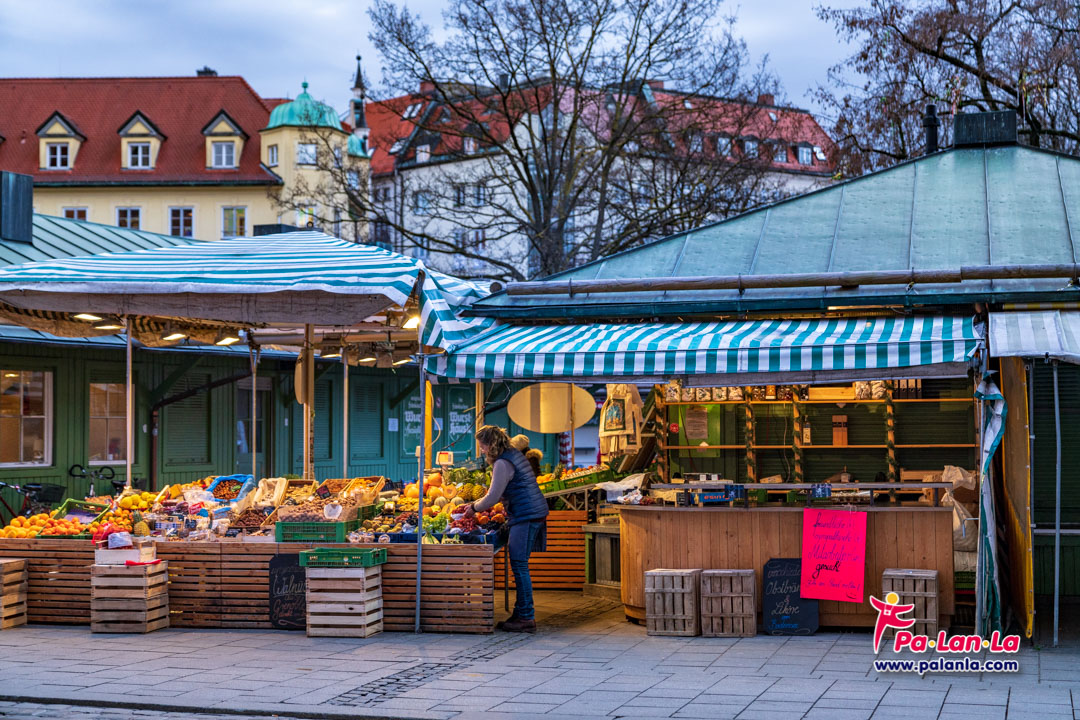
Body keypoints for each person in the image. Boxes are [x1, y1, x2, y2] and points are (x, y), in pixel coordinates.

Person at [462, 425, 548, 633]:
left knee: (519, 564)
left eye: (482, 446)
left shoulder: (502, 463)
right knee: (520, 564)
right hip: (531, 511)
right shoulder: (513, 455)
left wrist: (473, 508)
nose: (481, 451)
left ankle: (526, 617)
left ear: (490, 445)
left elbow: (493, 497)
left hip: (525, 514)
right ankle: (521, 612)